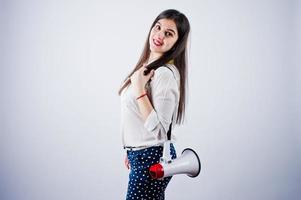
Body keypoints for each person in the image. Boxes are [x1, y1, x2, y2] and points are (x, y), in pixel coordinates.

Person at [118, 9, 190, 200]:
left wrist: (140, 90)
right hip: (142, 155)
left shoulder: (165, 74)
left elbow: (159, 131)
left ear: (177, 43)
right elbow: (136, 116)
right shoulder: (149, 68)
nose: (159, 35)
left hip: (151, 156)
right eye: (157, 27)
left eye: (169, 33)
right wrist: (132, 149)